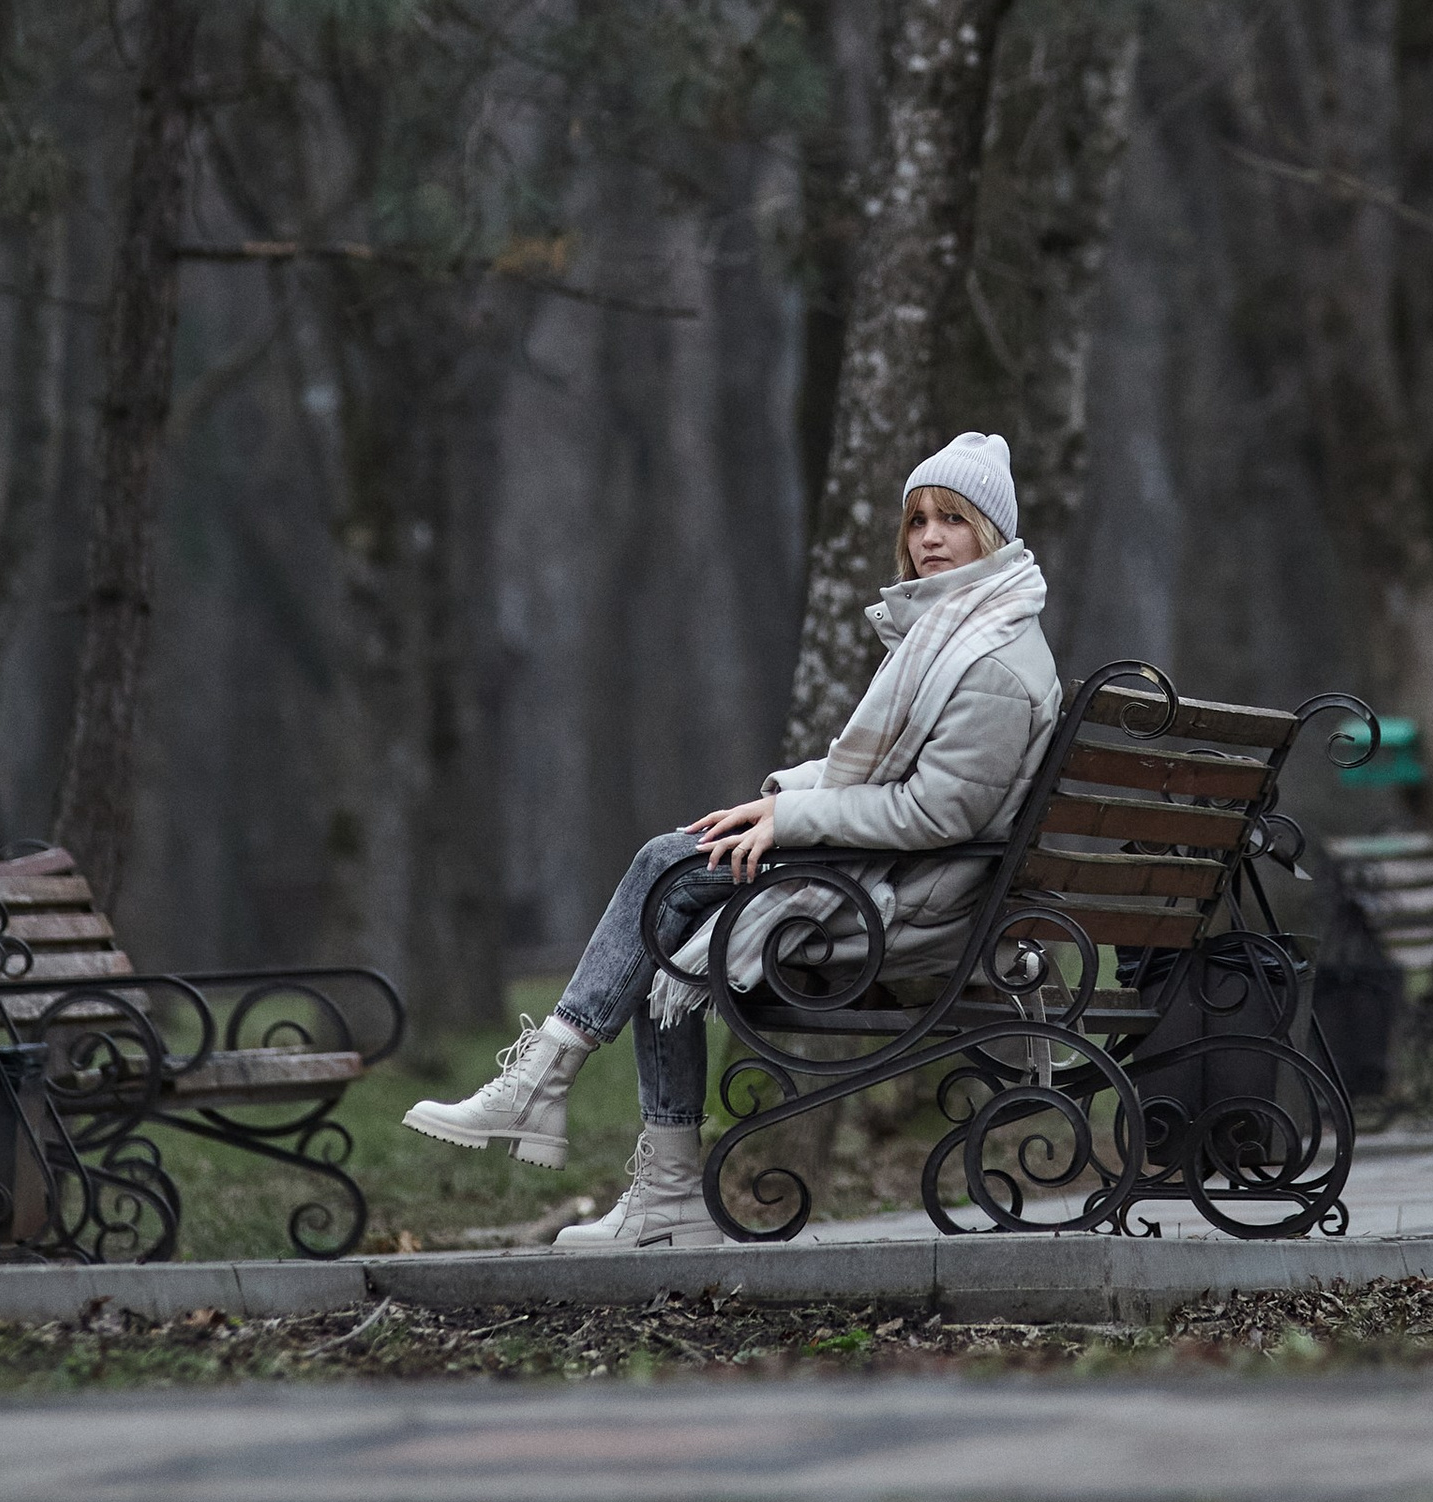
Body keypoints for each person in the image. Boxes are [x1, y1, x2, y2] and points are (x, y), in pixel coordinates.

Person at [403, 431, 1061, 1246]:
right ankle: (613, 1140)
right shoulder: (961, 630)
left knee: (668, 888)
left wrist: (789, 821)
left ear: (988, 535)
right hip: (893, 874)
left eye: (952, 521)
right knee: (673, 887)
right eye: (918, 519)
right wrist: (778, 799)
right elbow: (891, 777)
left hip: (916, 903)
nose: (929, 537)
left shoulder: (990, 660)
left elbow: (937, 815)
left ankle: (567, 1101)